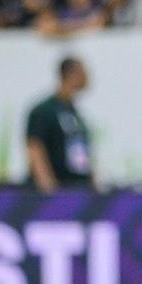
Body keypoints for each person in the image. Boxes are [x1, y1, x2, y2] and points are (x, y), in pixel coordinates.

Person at [25, 57, 93, 192]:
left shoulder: (74, 112)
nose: (88, 78)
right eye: (84, 72)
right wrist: (47, 184)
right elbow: (35, 146)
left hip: (78, 187)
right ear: (71, 74)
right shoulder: (45, 110)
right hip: (58, 189)